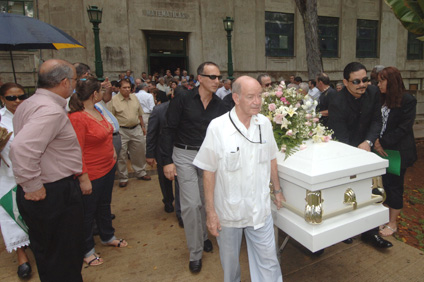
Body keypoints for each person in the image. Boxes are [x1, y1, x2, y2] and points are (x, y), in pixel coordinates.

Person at [193, 76, 285, 282]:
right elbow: (208, 170)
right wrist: (210, 212)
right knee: (231, 265)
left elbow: (271, 158)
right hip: (228, 212)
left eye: (259, 96)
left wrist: (277, 191)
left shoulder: (265, 124)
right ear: (235, 97)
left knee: (269, 261)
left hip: (259, 209)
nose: (257, 101)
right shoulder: (218, 127)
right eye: (251, 97)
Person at [10, 59, 88, 281]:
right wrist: (33, 185)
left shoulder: (29, 103)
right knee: (64, 257)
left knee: (49, 254)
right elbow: (22, 147)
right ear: (64, 82)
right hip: (52, 193)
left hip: (47, 191)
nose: (75, 84)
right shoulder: (50, 110)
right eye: (74, 80)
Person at [161, 61, 227, 273]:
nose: (217, 81)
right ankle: (195, 252)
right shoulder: (182, 98)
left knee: (205, 201)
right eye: (212, 77)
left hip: (208, 157)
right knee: (190, 204)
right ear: (200, 78)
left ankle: (204, 236)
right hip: (184, 154)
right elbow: (168, 129)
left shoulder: (220, 105)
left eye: (218, 77)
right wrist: (166, 161)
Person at [328, 62, 392, 249]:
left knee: (370, 192)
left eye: (365, 80)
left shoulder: (373, 93)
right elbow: (340, 135)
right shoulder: (336, 102)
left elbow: (376, 121)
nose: (362, 84)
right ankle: (345, 231)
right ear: (345, 82)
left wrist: (369, 142)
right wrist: (355, 153)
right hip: (345, 152)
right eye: (356, 81)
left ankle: (370, 233)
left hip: (366, 148)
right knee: (346, 193)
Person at [68, 77, 127, 266]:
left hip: (107, 167)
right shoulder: (77, 117)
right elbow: (76, 150)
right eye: (101, 91)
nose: (104, 94)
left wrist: (112, 154)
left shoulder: (97, 110)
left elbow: (107, 133)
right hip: (91, 173)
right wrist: (83, 177)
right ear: (95, 94)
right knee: (87, 212)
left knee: (104, 205)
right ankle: (86, 249)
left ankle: (107, 235)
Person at [374, 67, 417, 237]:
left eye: (381, 81)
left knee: (394, 187)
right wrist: (375, 141)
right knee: (382, 185)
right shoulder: (380, 99)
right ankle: (383, 218)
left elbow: (404, 128)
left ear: (391, 81)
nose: (378, 85)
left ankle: (392, 223)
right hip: (379, 150)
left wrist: (382, 143)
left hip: (397, 152)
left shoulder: (407, 100)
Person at [0, 83, 32, 278]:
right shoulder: (1, 120)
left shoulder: (31, 116)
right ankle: (22, 257)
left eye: (21, 96)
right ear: (3, 99)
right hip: (8, 176)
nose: (17, 101)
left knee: (34, 213)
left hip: (33, 174)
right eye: (12, 98)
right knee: (12, 216)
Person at [146, 86, 184, 226]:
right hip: (162, 151)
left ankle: (181, 213)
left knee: (181, 182)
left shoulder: (186, 110)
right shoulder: (159, 110)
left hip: (180, 152)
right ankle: (168, 201)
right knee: (165, 179)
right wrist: (150, 153)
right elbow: (152, 133)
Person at [108, 79, 150, 187]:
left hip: (136, 128)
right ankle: (123, 177)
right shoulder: (113, 100)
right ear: (118, 88)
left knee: (139, 151)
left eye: (128, 87)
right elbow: (111, 117)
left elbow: (139, 114)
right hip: (121, 130)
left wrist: (143, 127)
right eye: (124, 87)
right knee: (121, 155)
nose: (127, 90)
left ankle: (141, 172)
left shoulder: (134, 98)